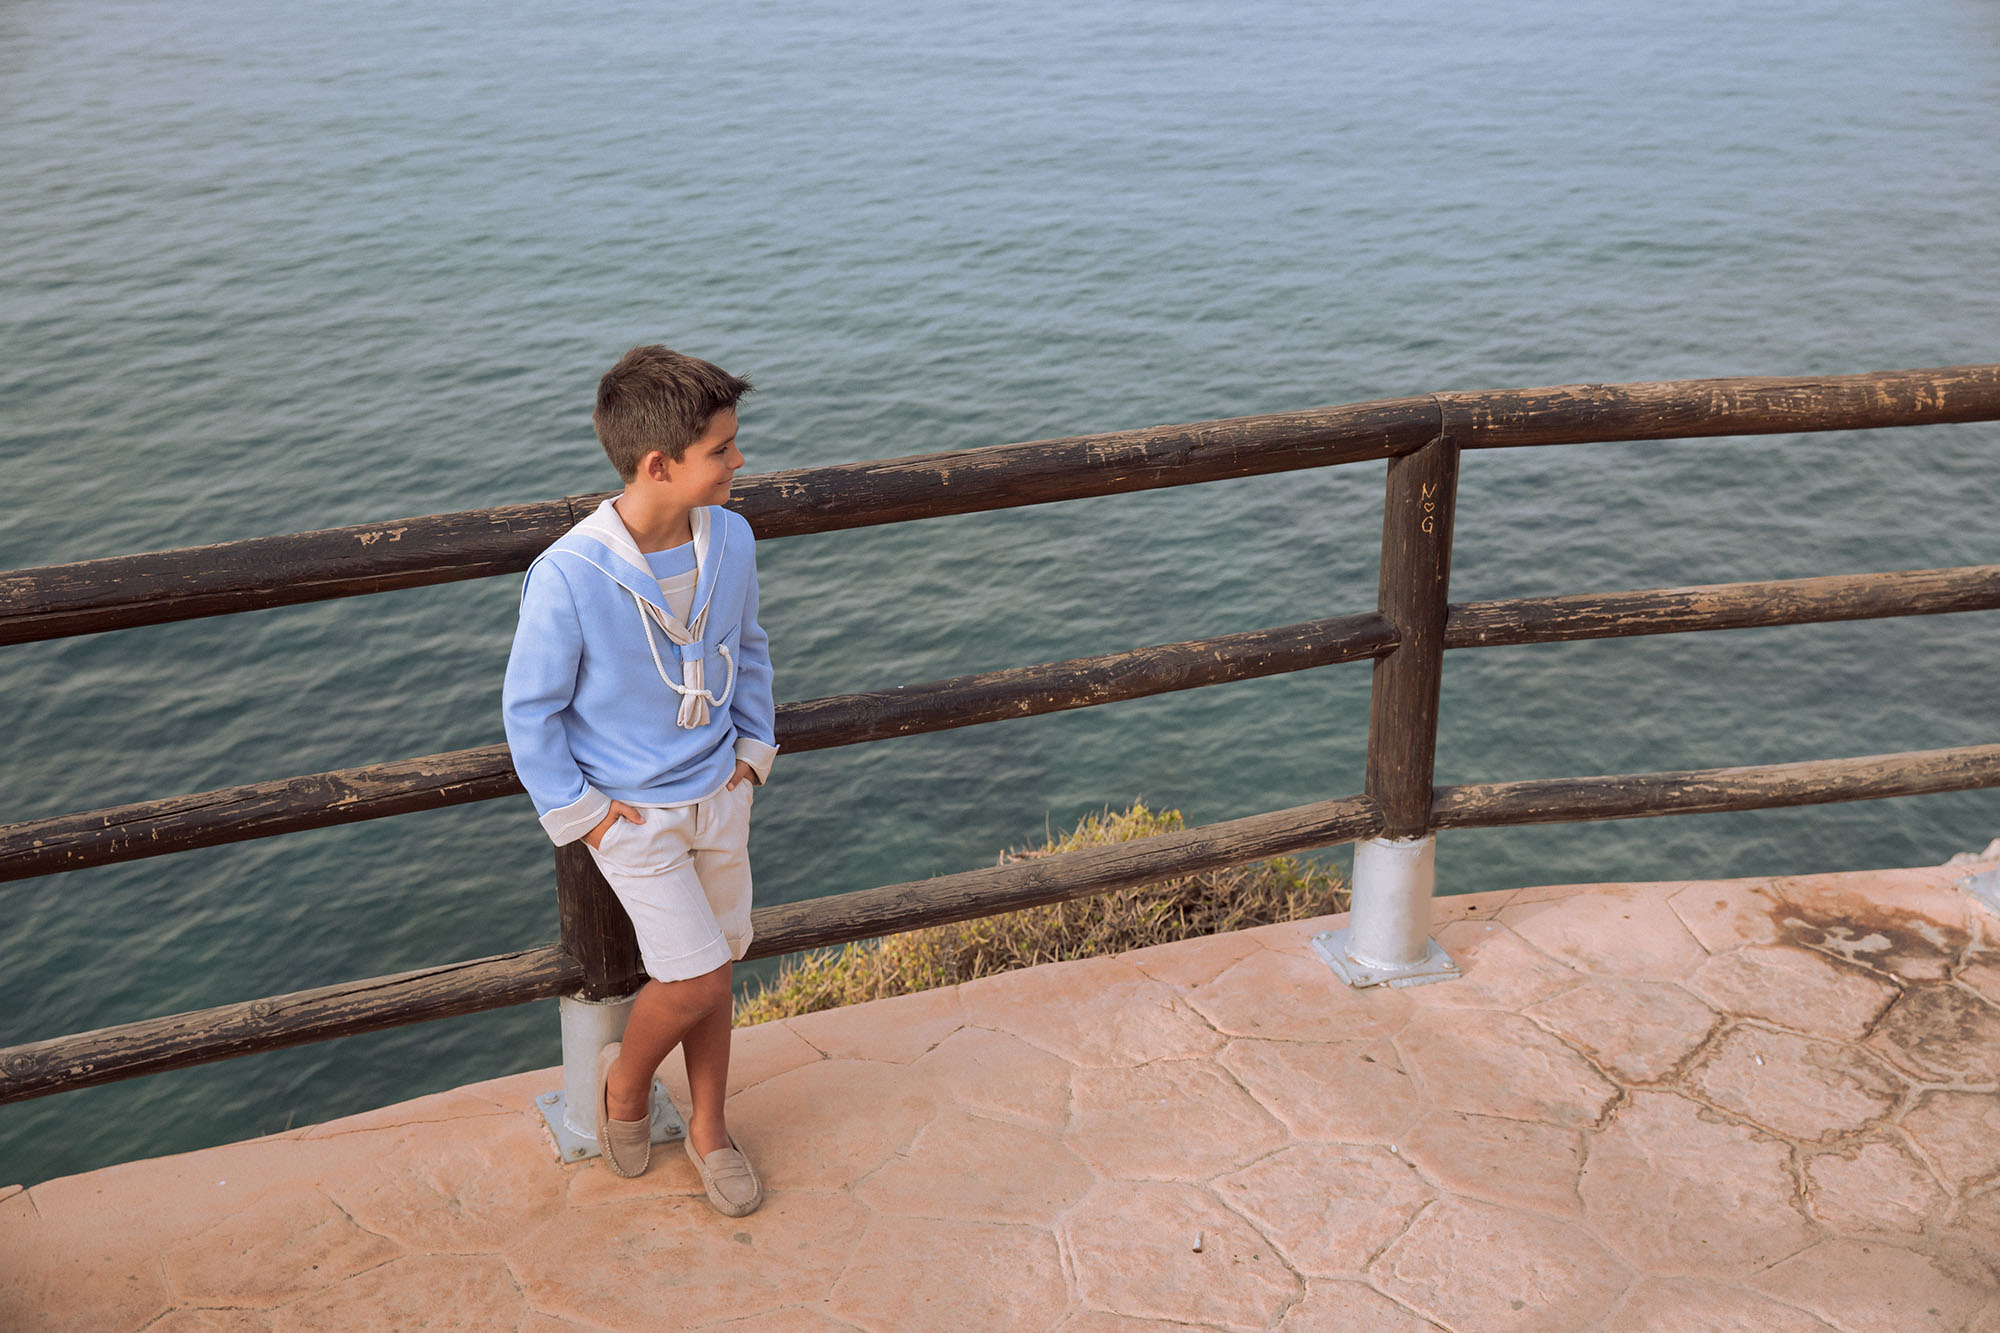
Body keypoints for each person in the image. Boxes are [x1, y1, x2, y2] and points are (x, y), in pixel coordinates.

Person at [502, 344, 777, 1216]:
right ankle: (625, 1081)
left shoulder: (732, 538)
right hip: (633, 817)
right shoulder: (569, 574)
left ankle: (711, 1129)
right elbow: (530, 711)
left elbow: (751, 647)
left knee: (717, 966)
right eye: (722, 449)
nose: (740, 460)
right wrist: (586, 815)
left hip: (719, 792)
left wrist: (751, 755)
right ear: (659, 464)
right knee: (694, 978)